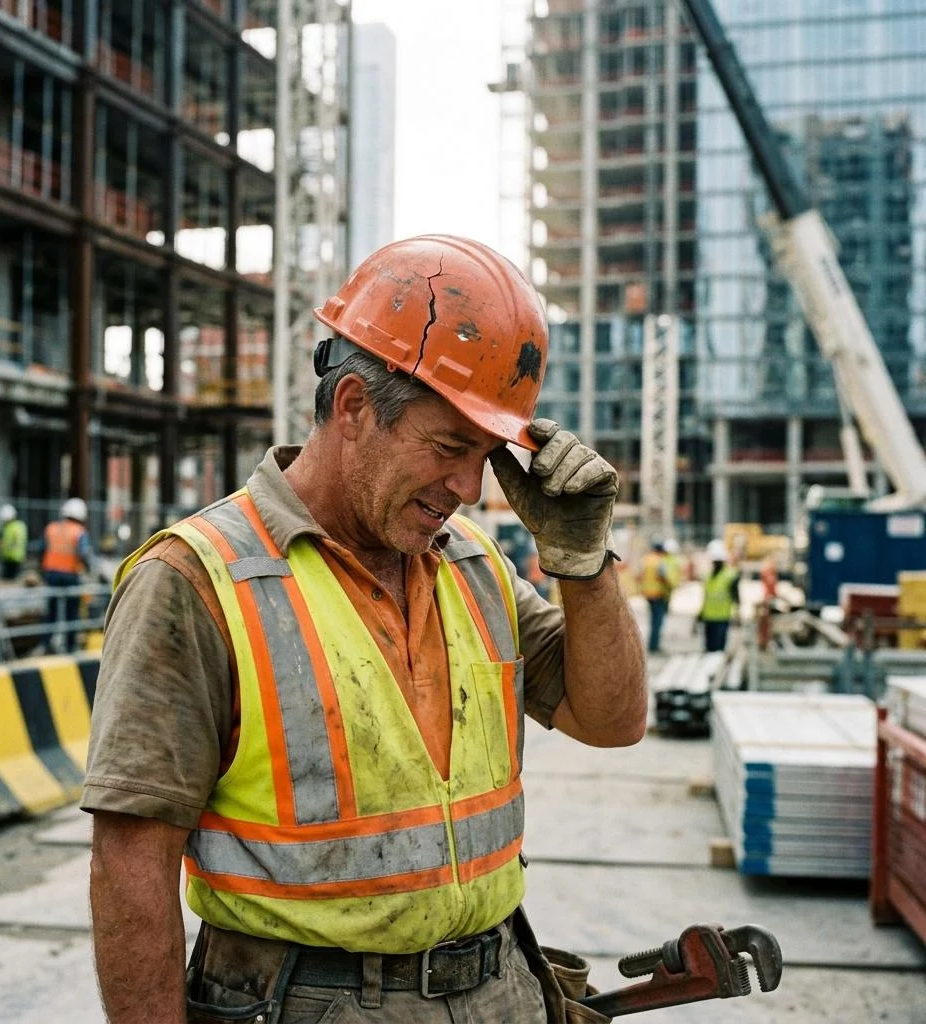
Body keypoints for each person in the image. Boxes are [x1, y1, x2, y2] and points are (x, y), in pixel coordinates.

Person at [82, 234, 647, 1024]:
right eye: (450, 447)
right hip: (301, 1001)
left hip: (499, 987)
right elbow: (130, 863)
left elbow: (613, 721)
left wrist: (583, 563)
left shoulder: (473, 566)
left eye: (485, 455)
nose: (470, 487)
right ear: (352, 407)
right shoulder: (197, 582)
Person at [41, 497, 92, 653]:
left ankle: (46, 644)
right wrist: (89, 569)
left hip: (51, 575)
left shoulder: (51, 528)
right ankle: (70, 647)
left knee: (51, 612)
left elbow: (41, 550)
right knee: (72, 613)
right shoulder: (79, 532)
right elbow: (84, 554)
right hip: (70, 575)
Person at [699, 539, 740, 653]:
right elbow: (706, 597)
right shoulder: (707, 576)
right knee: (709, 649)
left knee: (718, 650)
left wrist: (737, 613)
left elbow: (736, 596)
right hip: (709, 617)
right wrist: (700, 613)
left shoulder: (730, 576)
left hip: (722, 617)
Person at [639, 539, 673, 654]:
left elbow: (640, 575)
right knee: (657, 621)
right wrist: (671, 586)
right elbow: (664, 577)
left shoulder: (646, 559)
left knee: (653, 620)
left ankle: (652, 644)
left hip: (648, 594)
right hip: (658, 594)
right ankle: (654, 646)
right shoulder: (659, 561)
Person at [0, 504, 28, 580]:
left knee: (9, 582)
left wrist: (0, 546)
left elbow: (14, 542)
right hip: (12, 558)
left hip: (13, 559)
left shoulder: (12, 527)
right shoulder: (18, 526)